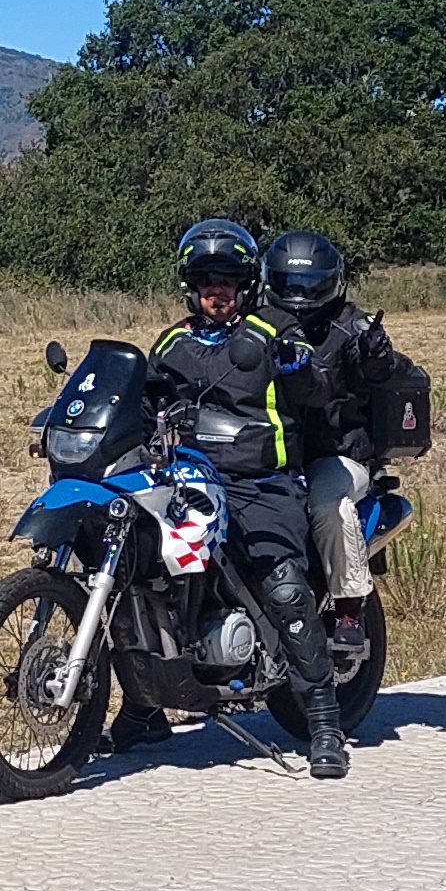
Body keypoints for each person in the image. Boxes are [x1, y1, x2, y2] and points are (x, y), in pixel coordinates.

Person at [149, 217, 347, 774]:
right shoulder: (171, 342)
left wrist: (300, 367)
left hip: (260, 483)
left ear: (246, 284)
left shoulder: (272, 332)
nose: (218, 290)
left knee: (282, 586)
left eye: (229, 280)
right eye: (207, 279)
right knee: (140, 577)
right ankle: (141, 709)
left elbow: (316, 389)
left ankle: (325, 722)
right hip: (185, 481)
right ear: (190, 284)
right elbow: (142, 399)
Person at [257, 227, 425, 626]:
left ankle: (349, 607)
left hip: (336, 452)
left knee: (326, 503)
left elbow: (389, 372)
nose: (300, 294)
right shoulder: (257, 323)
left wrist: (376, 356)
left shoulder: (352, 327)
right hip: (268, 451)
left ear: (333, 283)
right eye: (289, 283)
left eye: (311, 284)